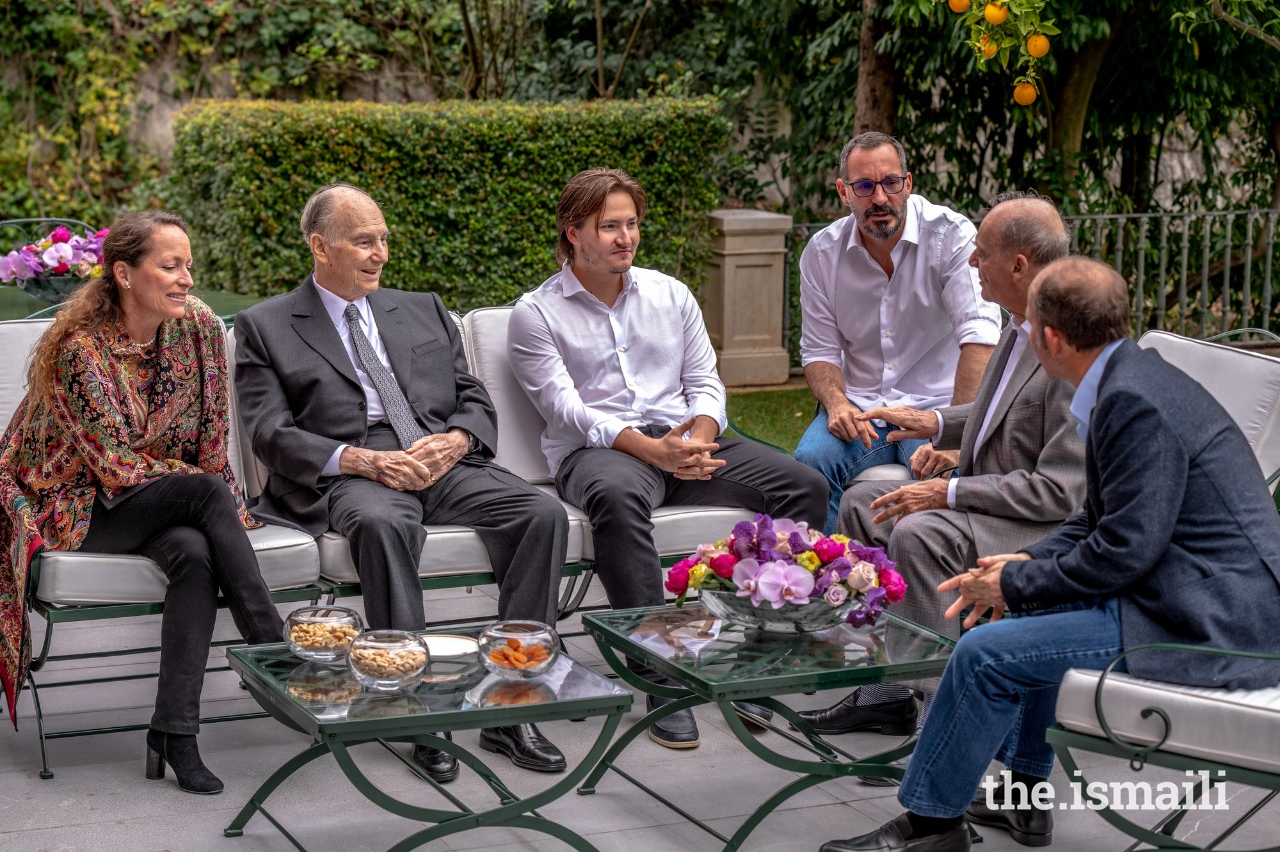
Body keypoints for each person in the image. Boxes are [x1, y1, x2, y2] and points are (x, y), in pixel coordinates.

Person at [820, 256, 1280, 852]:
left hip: (1208, 623)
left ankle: (931, 828)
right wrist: (1028, 562)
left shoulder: (1134, 403)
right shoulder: (1125, 382)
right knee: (1026, 612)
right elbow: (1095, 519)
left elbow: (1124, 551)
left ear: (1052, 339)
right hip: (1181, 592)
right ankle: (1023, 797)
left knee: (983, 654)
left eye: (1028, 324)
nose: (1022, 334)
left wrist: (1013, 586)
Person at [234, 183, 570, 781]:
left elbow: (471, 396)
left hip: (438, 456)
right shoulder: (267, 325)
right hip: (352, 470)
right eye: (364, 242)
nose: (381, 254)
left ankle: (512, 701)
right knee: (382, 522)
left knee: (539, 514)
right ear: (320, 247)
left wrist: (458, 440)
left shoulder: (422, 307)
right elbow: (269, 433)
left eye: (384, 239)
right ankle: (417, 710)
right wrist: (362, 461)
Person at [508, 168, 829, 749]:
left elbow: (705, 381)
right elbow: (566, 409)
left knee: (804, 485)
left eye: (631, 224)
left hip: (687, 440)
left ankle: (761, 654)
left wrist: (697, 441)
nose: (625, 237)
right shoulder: (536, 313)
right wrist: (652, 450)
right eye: (609, 226)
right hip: (601, 452)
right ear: (573, 232)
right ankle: (660, 676)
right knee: (616, 496)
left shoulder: (670, 294)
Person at [0, 211, 285, 795]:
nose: (187, 279)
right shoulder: (80, 350)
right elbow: (114, 466)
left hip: (150, 496)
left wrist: (211, 506)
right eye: (170, 266)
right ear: (125, 274)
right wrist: (203, 492)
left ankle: (174, 732)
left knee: (194, 552)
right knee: (203, 494)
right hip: (68, 499)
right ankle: (276, 652)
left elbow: (211, 442)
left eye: (188, 265)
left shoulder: (199, 326)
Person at [799, 193, 1086, 756]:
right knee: (864, 506)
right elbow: (1002, 411)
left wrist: (949, 490)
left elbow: (1060, 492)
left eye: (982, 253)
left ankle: (938, 706)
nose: (972, 261)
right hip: (994, 500)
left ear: (1019, 265)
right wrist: (932, 422)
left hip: (1034, 524)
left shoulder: (1070, 347)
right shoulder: (1020, 324)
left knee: (919, 532)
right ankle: (884, 688)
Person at [796, 131, 1001, 533]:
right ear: (843, 191)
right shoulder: (821, 253)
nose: (879, 198)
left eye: (890, 183)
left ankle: (915, 569)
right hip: (861, 408)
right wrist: (836, 403)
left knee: (949, 478)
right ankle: (831, 569)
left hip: (935, 409)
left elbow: (979, 337)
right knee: (808, 469)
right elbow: (820, 351)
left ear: (908, 183)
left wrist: (954, 432)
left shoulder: (951, 235)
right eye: (864, 186)